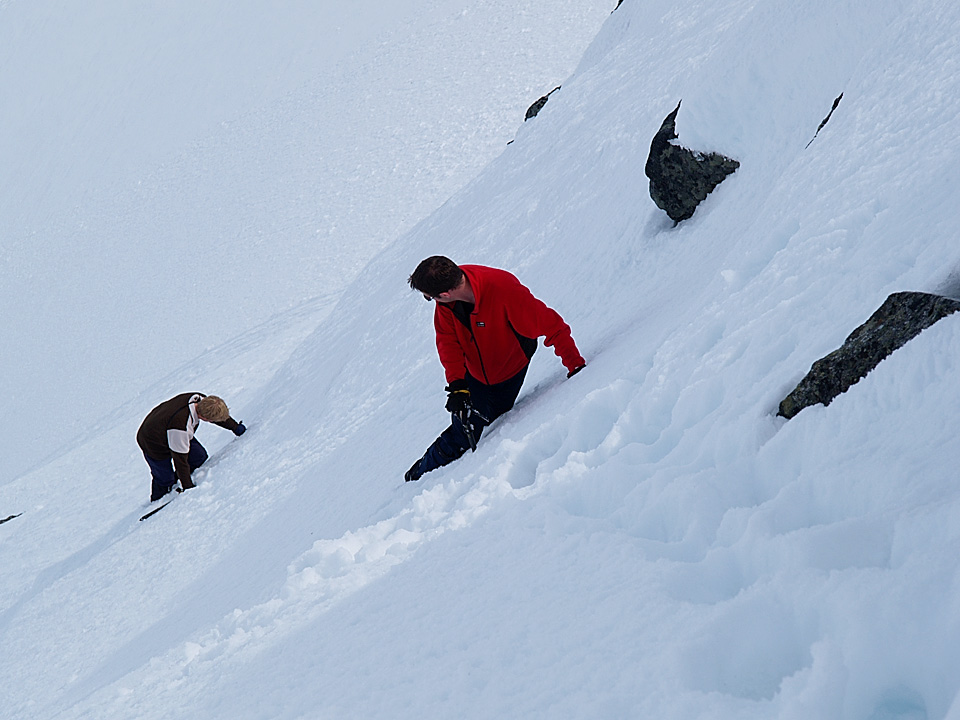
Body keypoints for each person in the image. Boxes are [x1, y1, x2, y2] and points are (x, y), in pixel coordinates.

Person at [404, 256, 585, 482]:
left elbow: (553, 325)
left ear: (446, 294)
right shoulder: (446, 305)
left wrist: (575, 365)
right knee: (465, 428)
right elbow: (448, 345)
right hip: (474, 372)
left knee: (493, 417)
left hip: (509, 368)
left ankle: (422, 475)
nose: (431, 301)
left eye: (429, 297)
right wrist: (458, 386)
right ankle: (418, 475)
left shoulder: (502, 289)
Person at [137, 393, 246, 501]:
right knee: (165, 478)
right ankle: (158, 498)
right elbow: (180, 459)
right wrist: (187, 486)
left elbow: (217, 415)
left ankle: (177, 480)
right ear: (204, 418)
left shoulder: (203, 401)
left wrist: (236, 428)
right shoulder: (181, 426)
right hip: (153, 441)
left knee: (199, 457)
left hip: (168, 427)